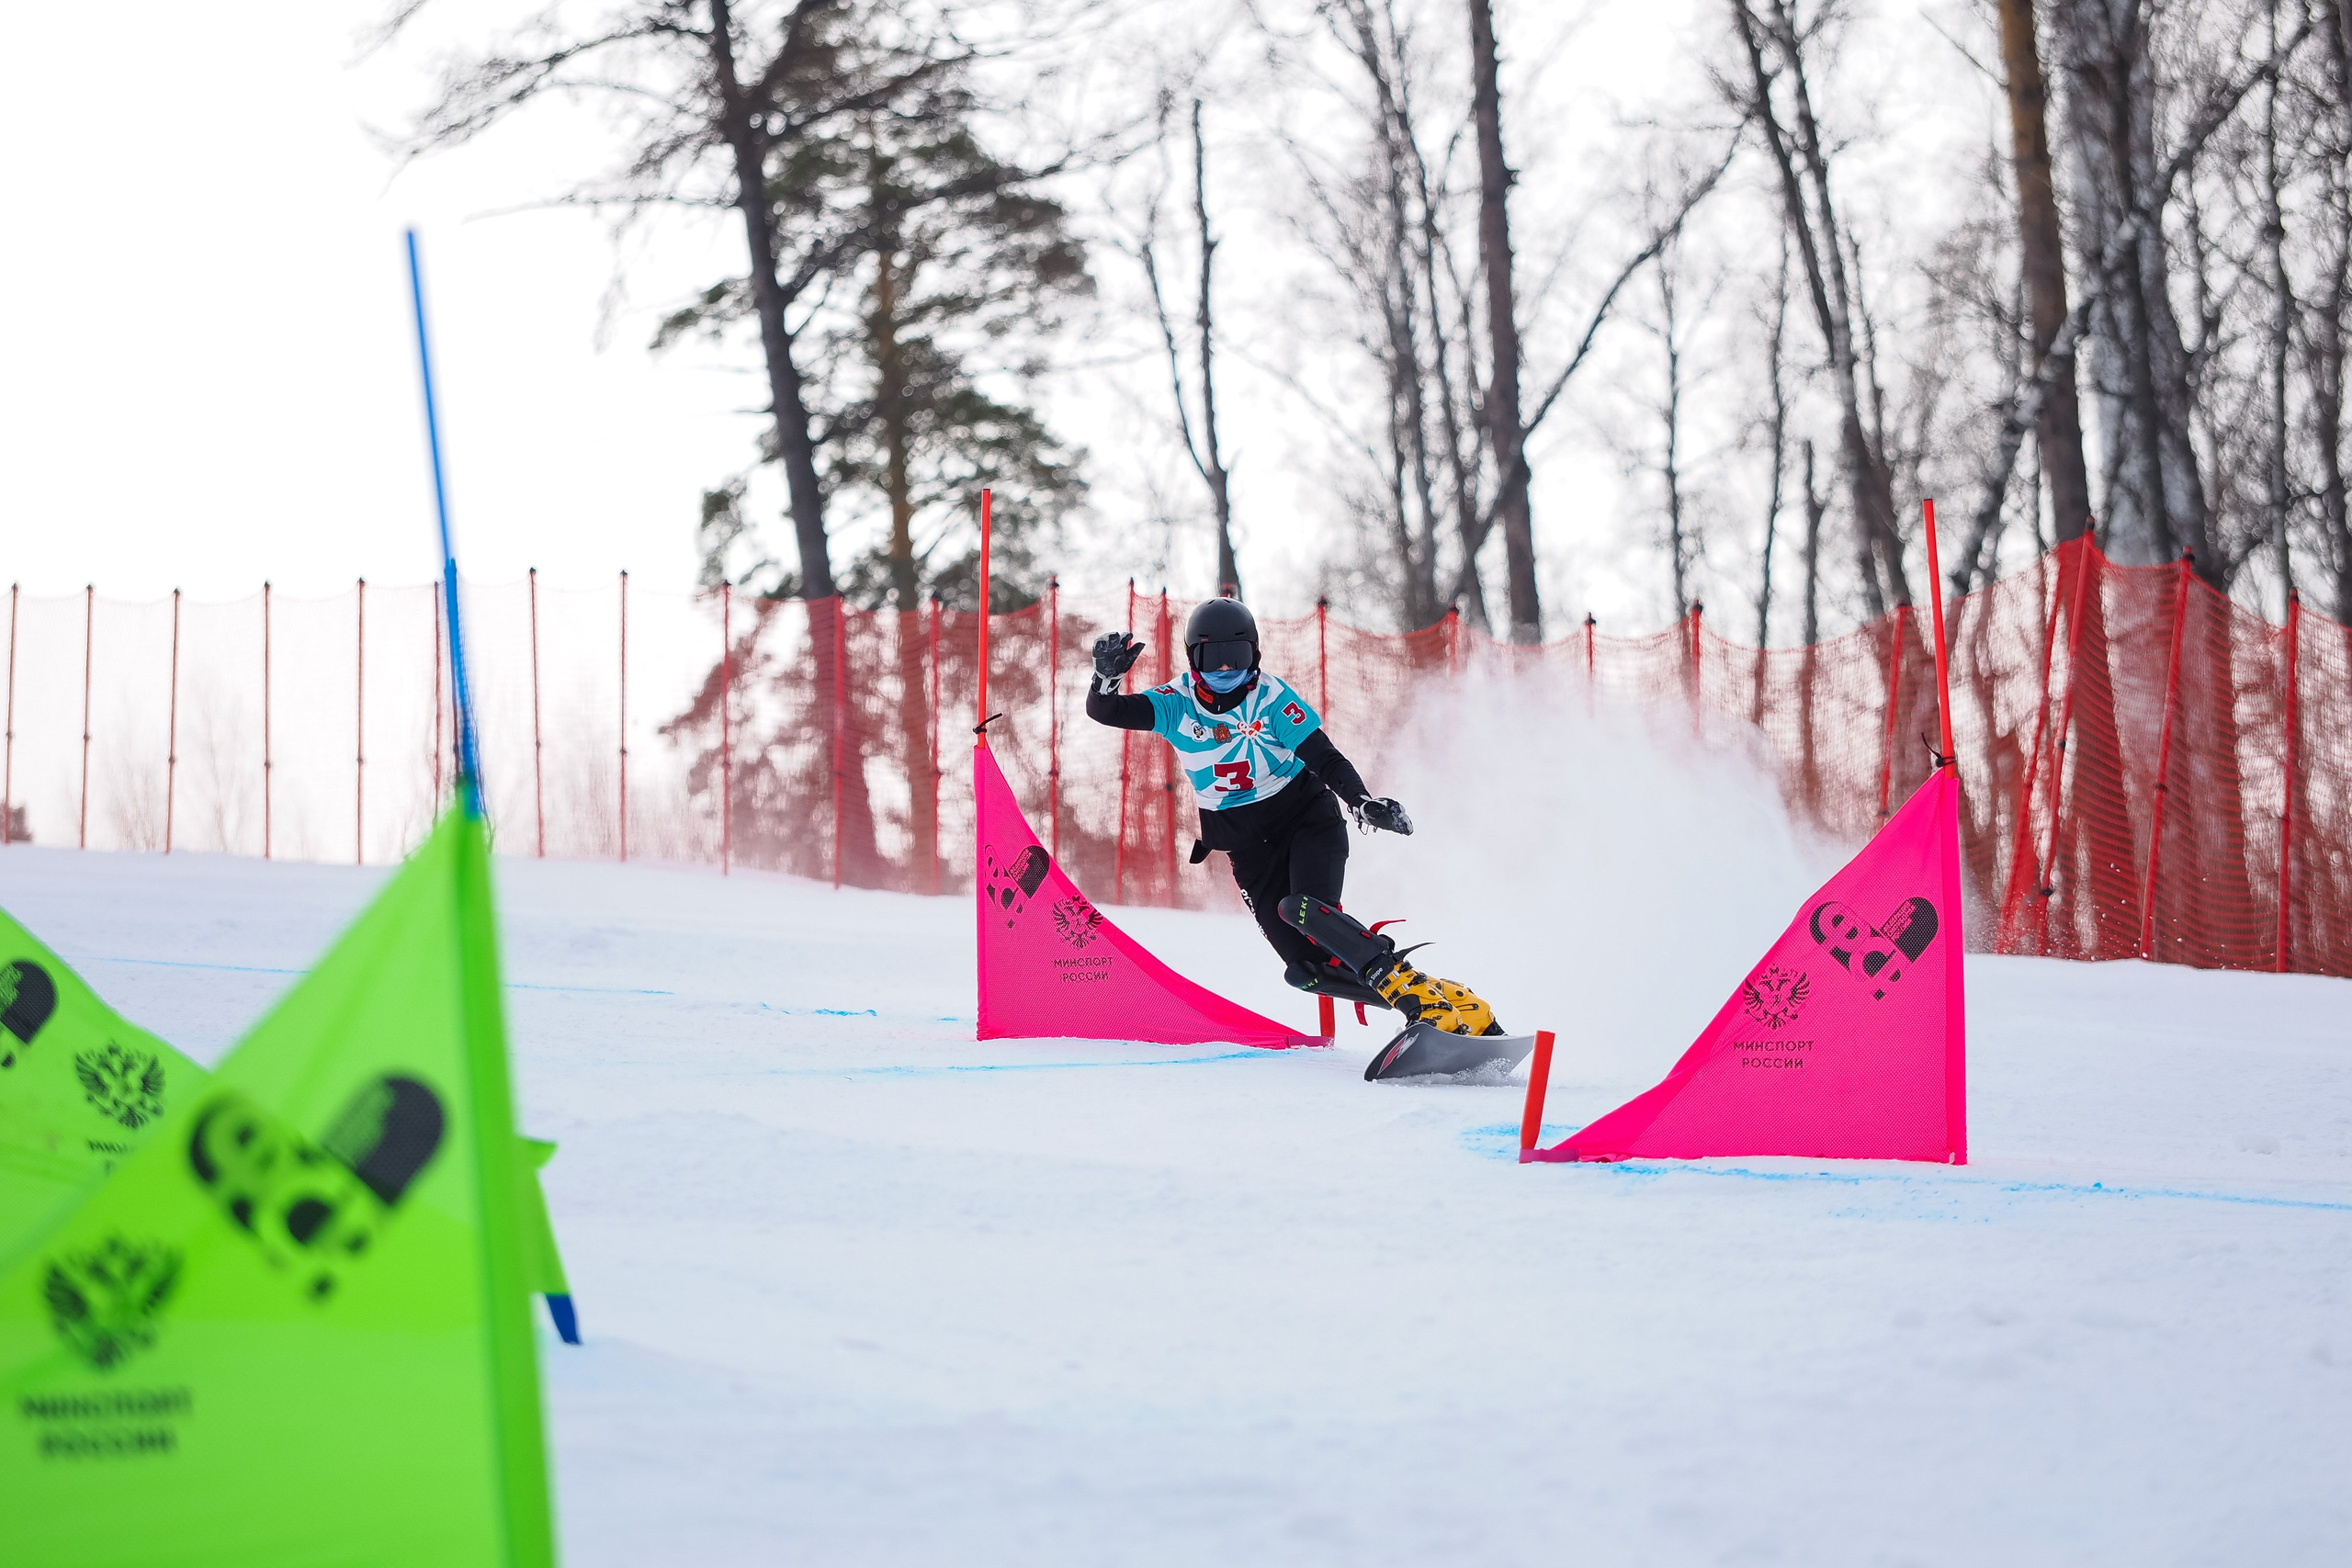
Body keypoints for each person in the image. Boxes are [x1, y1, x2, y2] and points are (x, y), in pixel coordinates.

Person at [1085, 597, 1499, 1036]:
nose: (1226, 672)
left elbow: (1323, 755)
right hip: (1246, 846)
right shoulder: (1176, 703)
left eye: (1238, 658)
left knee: (1305, 910)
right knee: (1307, 970)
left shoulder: (1271, 699)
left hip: (1305, 820)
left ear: (1255, 656)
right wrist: (1105, 678)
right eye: (1213, 660)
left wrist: (1359, 801)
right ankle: (1443, 1000)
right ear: (1192, 660)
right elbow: (1105, 711)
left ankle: (1419, 1003)